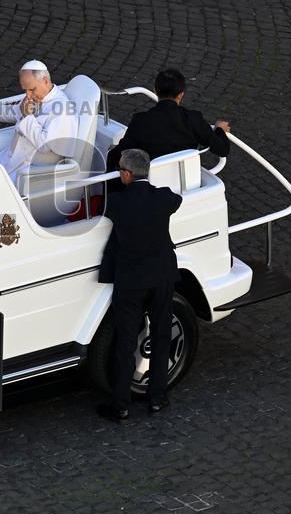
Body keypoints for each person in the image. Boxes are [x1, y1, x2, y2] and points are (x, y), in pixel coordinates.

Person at [97, 149, 183, 423]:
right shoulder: (164, 197)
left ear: (126, 174)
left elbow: (102, 206)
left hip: (131, 280)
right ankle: (157, 398)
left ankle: (121, 406)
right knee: (161, 335)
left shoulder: (117, 203)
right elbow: (177, 200)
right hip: (161, 276)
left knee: (125, 342)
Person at [106, 68, 231, 173]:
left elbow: (119, 153)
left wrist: (113, 151)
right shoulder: (193, 118)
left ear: (155, 90)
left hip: (152, 181)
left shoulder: (140, 120)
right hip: (187, 178)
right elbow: (222, 149)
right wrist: (219, 129)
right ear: (181, 94)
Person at [0, 60, 77, 183]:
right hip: (11, 157)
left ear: (45, 81)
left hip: (30, 171)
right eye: (25, 90)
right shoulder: (37, 97)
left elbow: (45, 146)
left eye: (32, 89)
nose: (28, 95)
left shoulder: (63, 110)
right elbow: (15, 111)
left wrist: (27, 117)